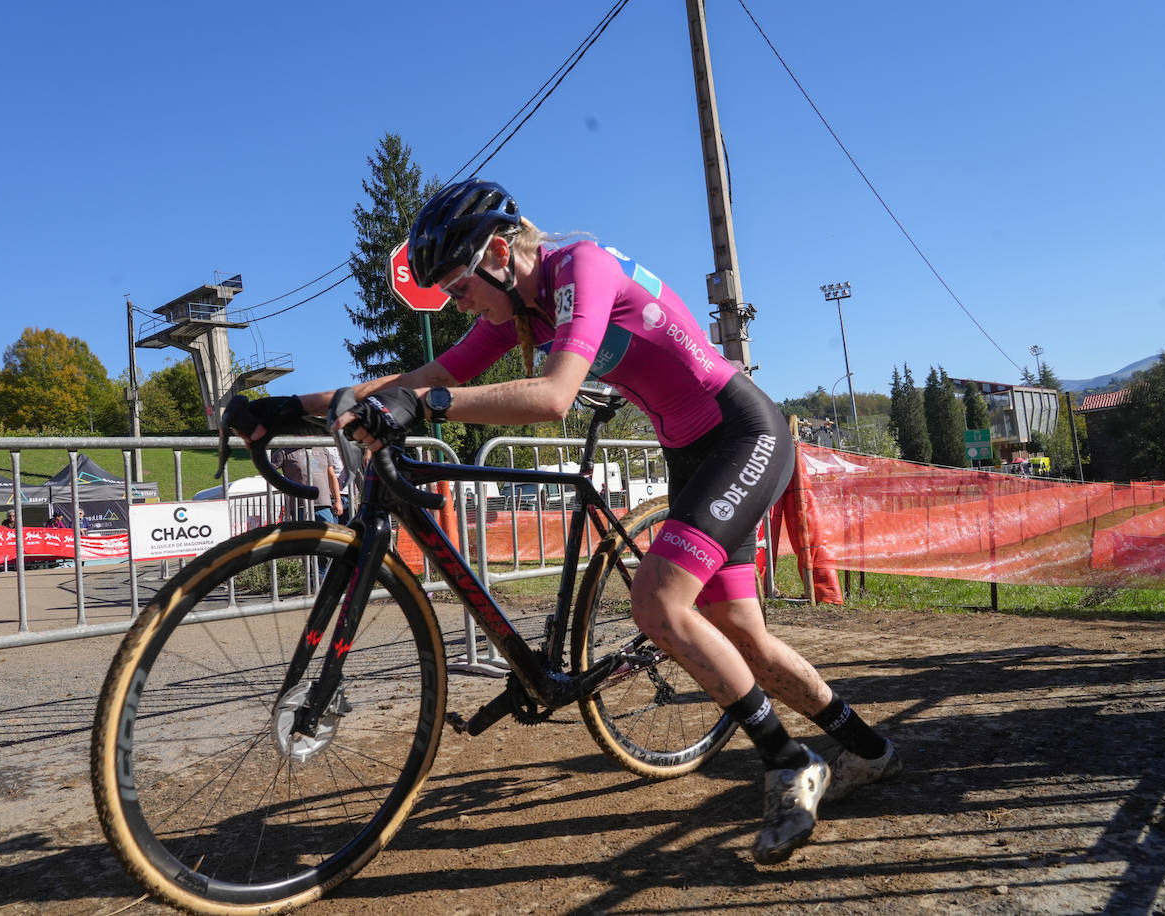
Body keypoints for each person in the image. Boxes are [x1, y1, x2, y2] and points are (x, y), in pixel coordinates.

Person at [232, 179, 898, 865]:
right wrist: (285, 408)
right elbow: (422, 376)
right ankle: (870, 749)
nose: (459, 304)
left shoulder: (579, 267)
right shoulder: (518, 309)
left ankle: (788, 760)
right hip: (688, 452)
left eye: (459, 287)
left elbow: (553, 397)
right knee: (745, 641)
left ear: (497, 251)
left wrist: (425, 405)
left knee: (658, 605)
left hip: (741, 434)